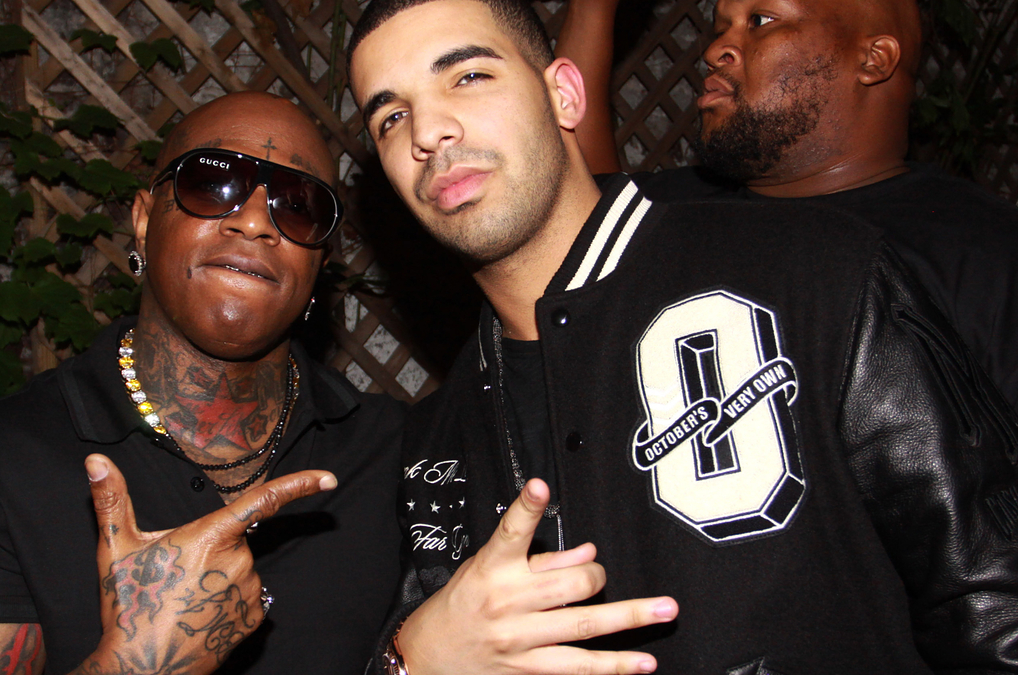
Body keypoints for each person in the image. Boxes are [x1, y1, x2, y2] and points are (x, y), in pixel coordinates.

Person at [347, 0, 1018, 672]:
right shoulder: (437, 437)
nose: (428, 131)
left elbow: (988, 600)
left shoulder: (813, 271)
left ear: (564, 93)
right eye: (391, 116)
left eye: (467, 77)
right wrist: (408, 661)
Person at [0, 92, 405, 675]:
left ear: (320, 264)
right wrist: (141, 662)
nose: (256, 221)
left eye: (299, 204)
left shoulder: (396, 449)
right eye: (213, 182)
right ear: (143, 218)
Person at [560, 0, 1018, 412]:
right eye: (720, 28)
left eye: (760, 21)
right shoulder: (680, 211)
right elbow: (576, 188)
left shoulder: (986, 253)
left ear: (873, 59)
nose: (716, 50)